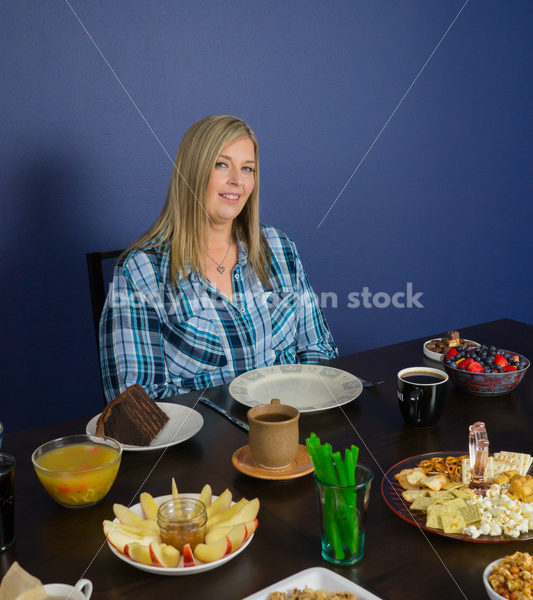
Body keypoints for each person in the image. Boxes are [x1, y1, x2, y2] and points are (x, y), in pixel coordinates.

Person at [99, 115, 337, 402]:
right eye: (221, 164)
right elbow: (136, 407)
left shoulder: (280, 248)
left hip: (289, 433)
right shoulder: (139, 273)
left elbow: (319, 351)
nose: (237, 180)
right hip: (203, 445)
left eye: (247, 168)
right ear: (192, 172)